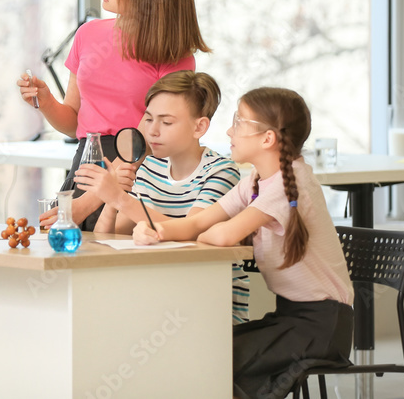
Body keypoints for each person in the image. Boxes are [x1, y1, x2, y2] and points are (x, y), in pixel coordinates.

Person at [132, 87, 354, 399]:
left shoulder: (291, 183)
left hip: (320, 327)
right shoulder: (252, 181)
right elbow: (198, 222)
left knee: (215, 360)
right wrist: (155, 231)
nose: (228, 130)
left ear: (267, 138)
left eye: (239, 122)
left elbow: (221, 234)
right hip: (289, 318)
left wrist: (203, 231)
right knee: (205, 351)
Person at [17, 0, 209, 231]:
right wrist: (46, 102)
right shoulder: (88, 34)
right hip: (85, 164)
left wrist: (86, 203)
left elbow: (147, 142)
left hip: (138, 175)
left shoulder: (175, 56)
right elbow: (74, 123)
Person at [74, 71, 248, 322]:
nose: (153, 131)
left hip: (210, 303)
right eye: (148, 119)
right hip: (158, 294)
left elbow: (192, 234)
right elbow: (111, 239)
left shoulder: (221, 172)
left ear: (199, 127)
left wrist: (121, 199)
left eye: (166, 123)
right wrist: (113, 196)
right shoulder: (149, 167)